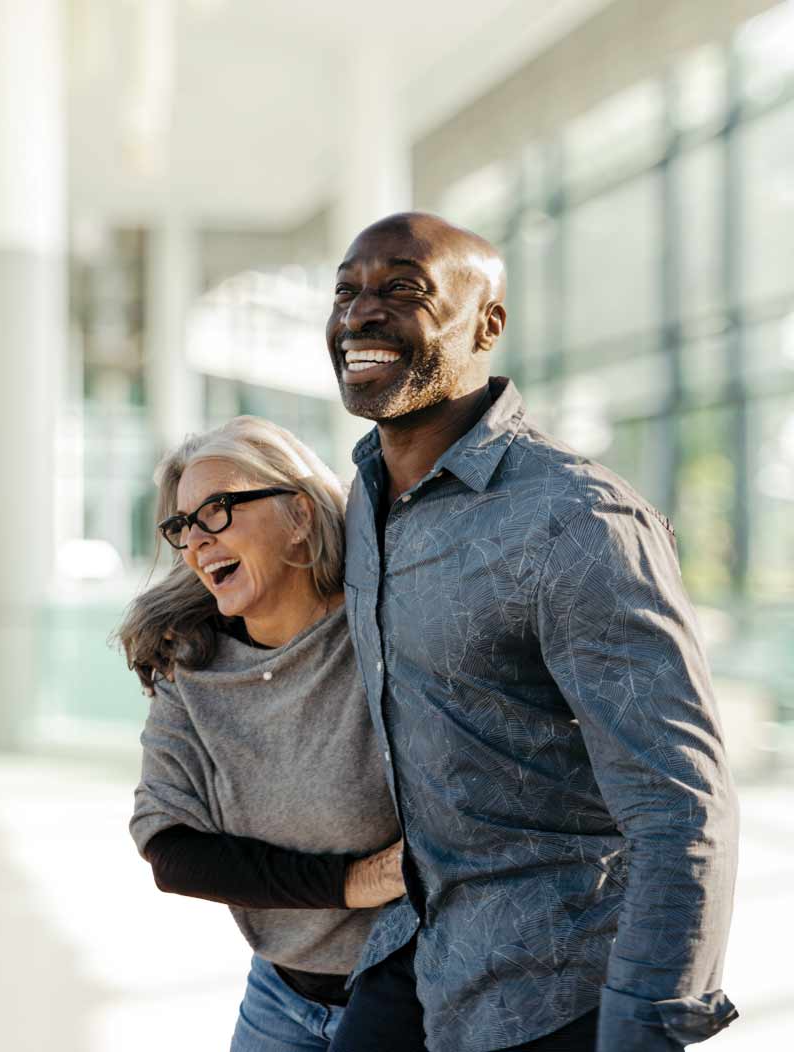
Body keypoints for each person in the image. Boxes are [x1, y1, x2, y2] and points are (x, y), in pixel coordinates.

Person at [324, 212, 740, 1052]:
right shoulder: (365, 503)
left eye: (403, 288)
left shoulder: (575, 520)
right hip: (423, 952)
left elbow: (682, 805)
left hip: (561, 987)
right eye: (346, 290)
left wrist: (644, 1027)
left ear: (488, 323)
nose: (361, 313)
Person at [120, 416, 406, 1052]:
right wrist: (354, 882)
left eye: (217, 511)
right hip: (281, 994)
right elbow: (170, 849)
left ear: (299, 514)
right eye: (182, 526)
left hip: (411, 988)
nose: (195, 542)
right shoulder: (189, 664)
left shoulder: (385, 636)